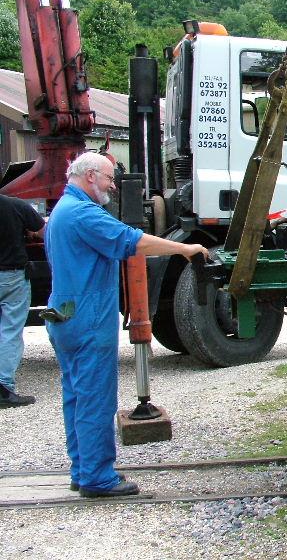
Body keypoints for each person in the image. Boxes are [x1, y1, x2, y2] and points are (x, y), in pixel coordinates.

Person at [45, 152, 209, 498]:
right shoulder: (84, 214)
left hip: (65, 312)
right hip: (87, 316)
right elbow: (133, 242)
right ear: (90, 176)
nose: (112, 185)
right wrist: (185, 248)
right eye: (107, 178)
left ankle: (82, 469)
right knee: (95, 398)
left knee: (76, 396)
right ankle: (97, 478)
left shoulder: (61, 210)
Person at [0, 194, 46, 408]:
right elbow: (46, 233)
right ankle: (3, 387)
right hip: (12, 277)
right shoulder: (16, 206)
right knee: (10, 331)